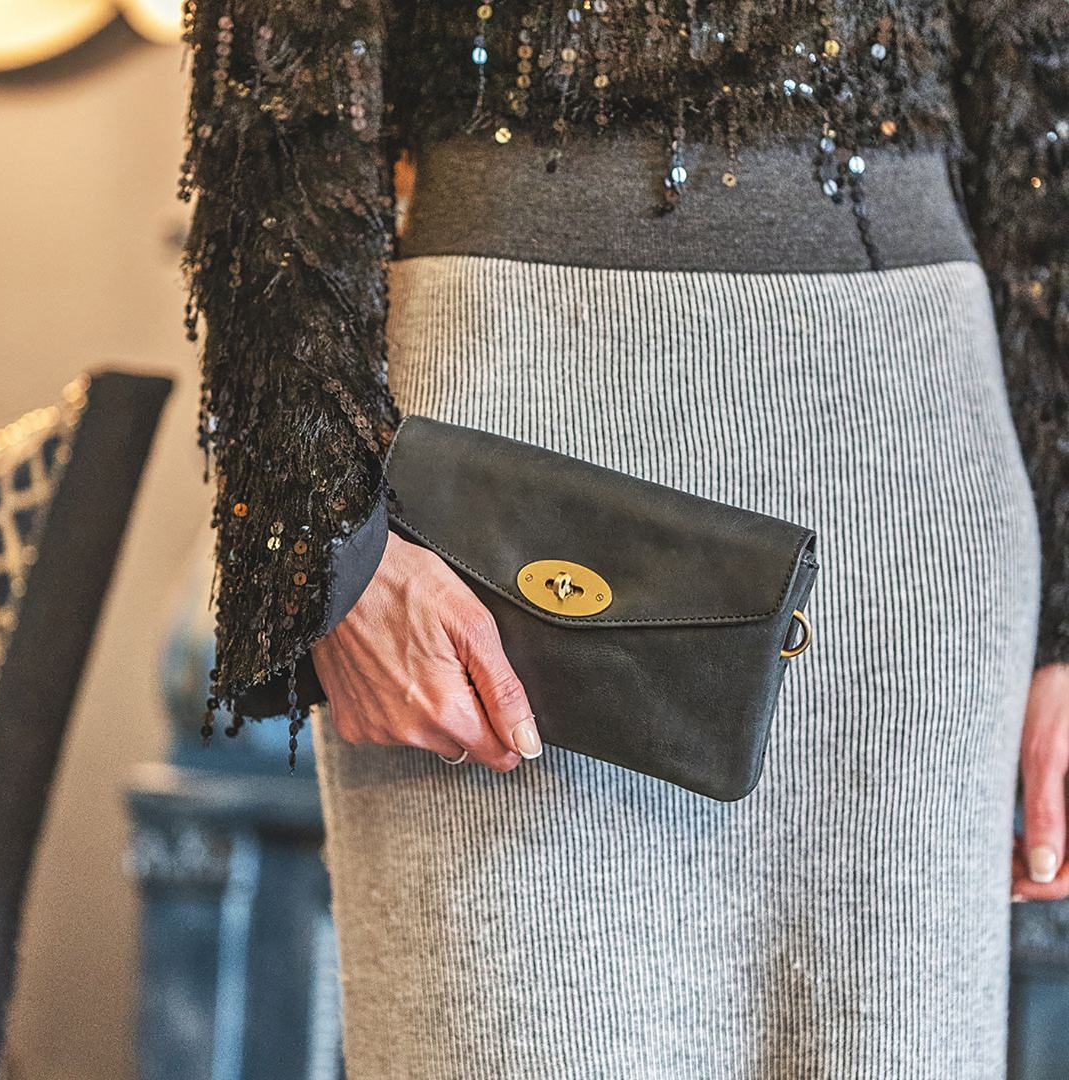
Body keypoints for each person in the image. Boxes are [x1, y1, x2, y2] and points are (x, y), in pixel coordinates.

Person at [178, 1, 1068, 1075]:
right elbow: (274, 79)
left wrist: (1065, 621)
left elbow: (1043, 129)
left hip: (916, 468)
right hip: (507, 460)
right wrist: (327, 545)